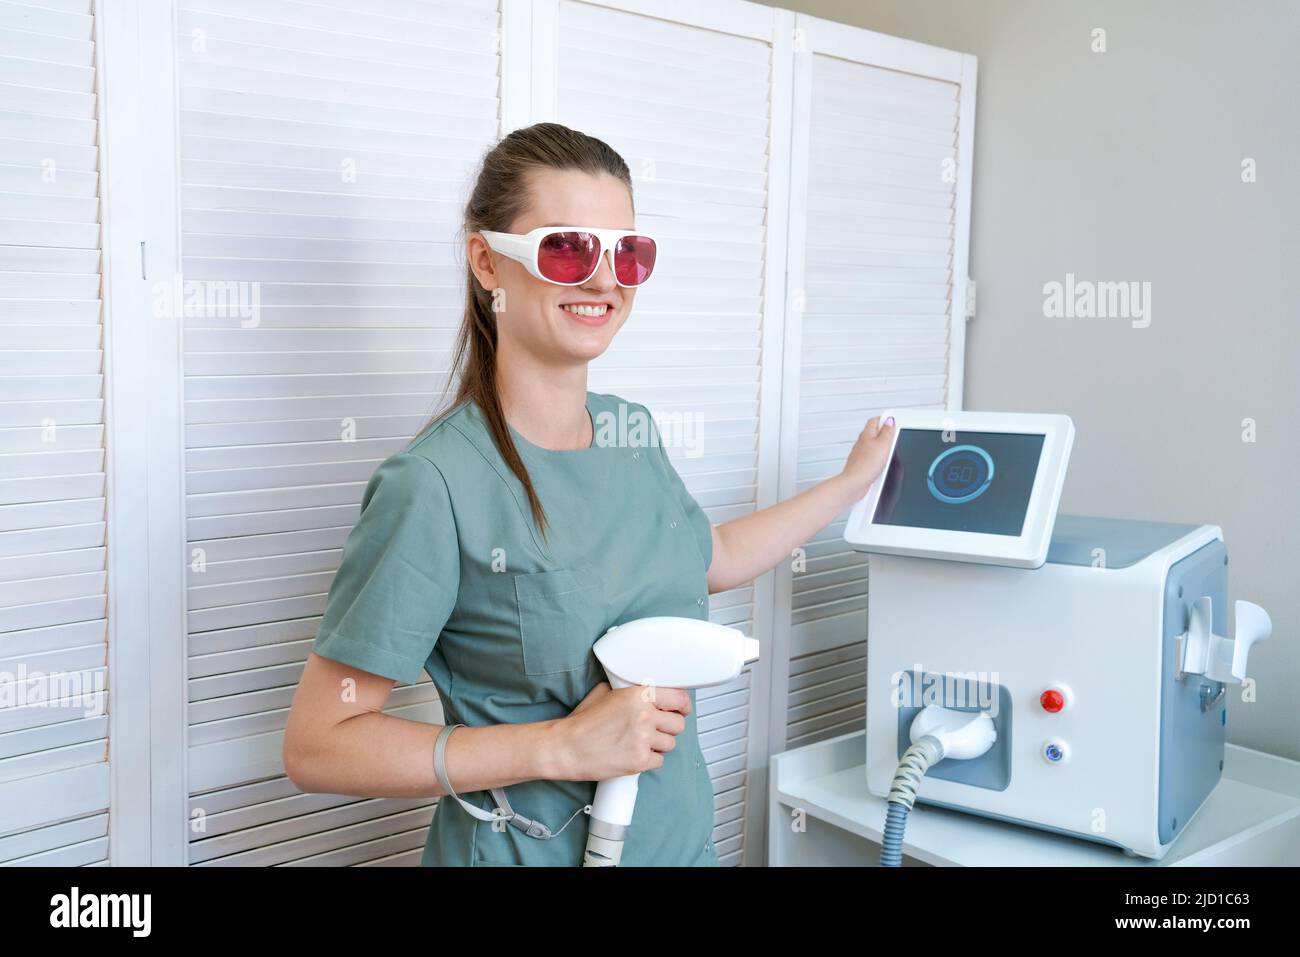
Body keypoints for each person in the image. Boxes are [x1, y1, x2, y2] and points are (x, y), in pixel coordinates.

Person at [282, 122, 896, 866]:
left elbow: (711, 556)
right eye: (567, 249)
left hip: (682, 848)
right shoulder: (434, 486)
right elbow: (320, 743)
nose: (603, 280)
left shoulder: (629, 431)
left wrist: (850, 483)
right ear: (487, 261)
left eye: (626, 254)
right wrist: (560, 746)